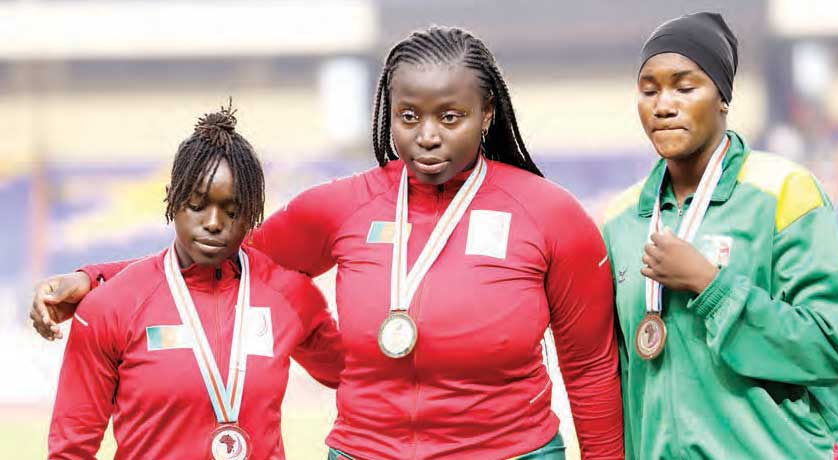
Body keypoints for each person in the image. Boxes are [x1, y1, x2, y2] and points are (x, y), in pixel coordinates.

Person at [33, 27, 624, 459]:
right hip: (366, 452)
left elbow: (592, 368)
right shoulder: (342, 206)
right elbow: (221, 248)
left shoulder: (551, 216)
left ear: (487, 113)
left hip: (508, 451)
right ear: (387, 114)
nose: (427, 136)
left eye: (451, 117)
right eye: (409, 116)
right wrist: (100, 277)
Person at [601, 12, 838, 459]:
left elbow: (831, 346)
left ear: (722, 97)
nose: (663, 105)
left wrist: (711, 286)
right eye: (649, 90)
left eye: (684, 88)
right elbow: (622, 376)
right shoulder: (620, 221)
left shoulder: (783, 192)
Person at [46, 105, 344, 459]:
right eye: (197, 205)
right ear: (173, 197)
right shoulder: (107, 307)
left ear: (253, 210)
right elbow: (70, 449)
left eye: (231, 210)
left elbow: (365, 376)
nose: (214, 222)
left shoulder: (288, 297)